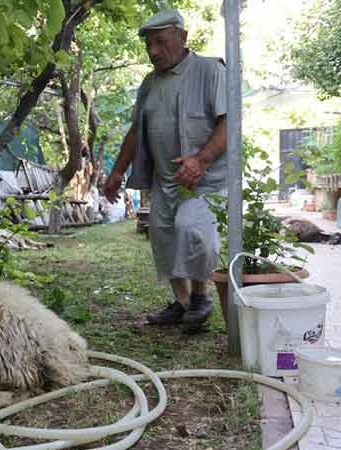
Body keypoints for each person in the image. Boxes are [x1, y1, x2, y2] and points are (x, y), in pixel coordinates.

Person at [104, 9, 228, 325]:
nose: (153, 51)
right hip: (165, 180)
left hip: (206, 180)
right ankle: (183, 304)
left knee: (192, 231)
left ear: (183, 37)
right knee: (163, 239)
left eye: (160, 42)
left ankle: (201, 296)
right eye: (149, 45)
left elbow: (230, 123)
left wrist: (201, 160)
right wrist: (118, 171)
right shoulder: (149, 83)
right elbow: (136, 130)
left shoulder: (210, 70)